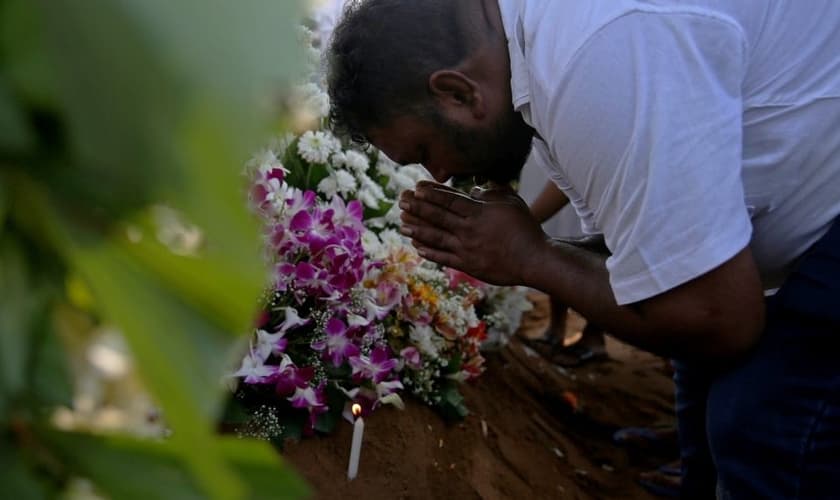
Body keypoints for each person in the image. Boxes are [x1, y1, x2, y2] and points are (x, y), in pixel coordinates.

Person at [326, 1, 840, 498]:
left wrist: (530, 257)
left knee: (762, 423)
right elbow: (643, 254)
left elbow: (719, 316)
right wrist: (525, 247)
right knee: (704, 386)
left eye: (423, 152)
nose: (437, 175)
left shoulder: (594, 55)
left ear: (459, 94)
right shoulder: (539, 43)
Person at [521, 177, 608, 366]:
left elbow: (568, 176)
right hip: (550, 165)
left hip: (586, 175)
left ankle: (594, 336)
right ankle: (555, 328)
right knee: (557, 232)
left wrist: (522, 222)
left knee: (594, 242)